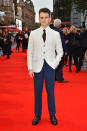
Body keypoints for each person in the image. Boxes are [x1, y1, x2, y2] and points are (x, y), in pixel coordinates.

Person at [27, 8, 63, 125]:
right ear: (39, 18)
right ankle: (37, 115)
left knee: (50, 92)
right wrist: (30, 68)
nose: (43, 20)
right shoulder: (33, 33)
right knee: (37, 92)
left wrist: (54, 64)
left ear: (50, 19)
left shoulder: (56, 34)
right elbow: (30, 52)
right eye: (41, 17)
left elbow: (60, 52)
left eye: (46, 17)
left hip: (49, 67)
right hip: (37, 67)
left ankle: (52, 114)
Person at [50, 19, 68, 83]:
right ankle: (60, 78)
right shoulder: (59, 32)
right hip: (58, 50)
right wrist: (65, 50)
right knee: (60, 64)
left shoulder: (49, 30)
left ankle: (53, 78)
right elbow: (62, 42)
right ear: (59, 25)